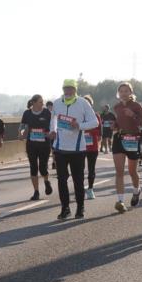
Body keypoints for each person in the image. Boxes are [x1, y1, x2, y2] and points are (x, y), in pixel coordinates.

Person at [50, 80, 99, 220]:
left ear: (75, 90)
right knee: (61, 180)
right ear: (62, 89)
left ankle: (80, 207)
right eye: (66, 88)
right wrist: (52, 130)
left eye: (71, 89)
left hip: (77, 149)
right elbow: (53, 119)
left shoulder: (83, 103)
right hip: (60, 148)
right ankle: (65, 208)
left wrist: (79, 125)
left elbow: (94, 122)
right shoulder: (57, 103)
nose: (68, 91)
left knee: (78, 180)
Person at [111, 82, 142, 213]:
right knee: (119, 171)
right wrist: (114, 125)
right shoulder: (116, 107)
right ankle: (120, 201)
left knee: (132, 171)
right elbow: (119, 120)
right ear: (118, 93)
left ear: (131, 93)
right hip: (120, 139)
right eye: (121, 91)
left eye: (126, 91)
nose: (124, 93)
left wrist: (133, 115)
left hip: (134, 139)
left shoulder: (136, 106)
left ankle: (136, 191)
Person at [19, 94, 53, 201]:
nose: (42, 104)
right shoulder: (27, 113)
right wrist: (21, 133)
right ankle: (36, 192)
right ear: (33, 103)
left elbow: (53, 125)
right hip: (31, 145)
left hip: (44, 145)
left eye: (42, 102)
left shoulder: (47, 112)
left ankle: (46, 181)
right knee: (33, 167)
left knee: (43, 168)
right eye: (40, 102)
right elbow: (23, 126)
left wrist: (50, 133)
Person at [82, 94, 102, 200]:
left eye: (87, 103)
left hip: (92, 147)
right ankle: (80, 189)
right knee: (79, 170)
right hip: (79, 147)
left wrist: (88, 131)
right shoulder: (78, 116)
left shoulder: (96, 116)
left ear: (91, 105)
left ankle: (90, 189)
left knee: (91, 169)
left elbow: (99, 133)